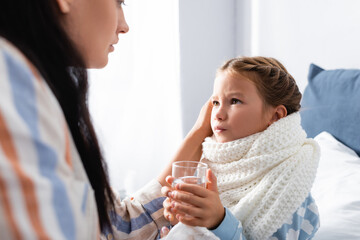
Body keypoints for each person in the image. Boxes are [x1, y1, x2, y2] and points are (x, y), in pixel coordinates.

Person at [0, 0, 213, 239]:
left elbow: (115, 225)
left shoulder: (38, 92)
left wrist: (200, 132)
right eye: (118, 2)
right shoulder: (12, 89)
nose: (125, 26)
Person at [162, 57, 320, 240]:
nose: (218, 114)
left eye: (235, 101)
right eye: (215, 102)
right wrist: (177, 222)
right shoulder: (208, 163)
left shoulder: (290, 188)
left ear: (276, 116)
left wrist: (219, 221)